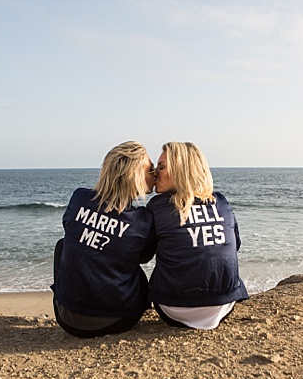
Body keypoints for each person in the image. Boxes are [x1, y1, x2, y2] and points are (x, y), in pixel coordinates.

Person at [51, 141, 156, 338]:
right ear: (134, 176)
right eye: (150, 169)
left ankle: (70, 297)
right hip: (121, 318)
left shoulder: (79, 198)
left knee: (63, 245)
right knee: (130, 264)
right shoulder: (141, 220)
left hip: (68, 319)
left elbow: (70, 228)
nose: (155, 173)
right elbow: (145, 257)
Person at [147, 141, 249, 330]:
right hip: (223, 306)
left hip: (173, 308)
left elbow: (144, 253)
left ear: (181, 171)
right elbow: (236, 245)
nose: (155, 173)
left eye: (161, 167)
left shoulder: (158, 206)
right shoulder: (221, 202)